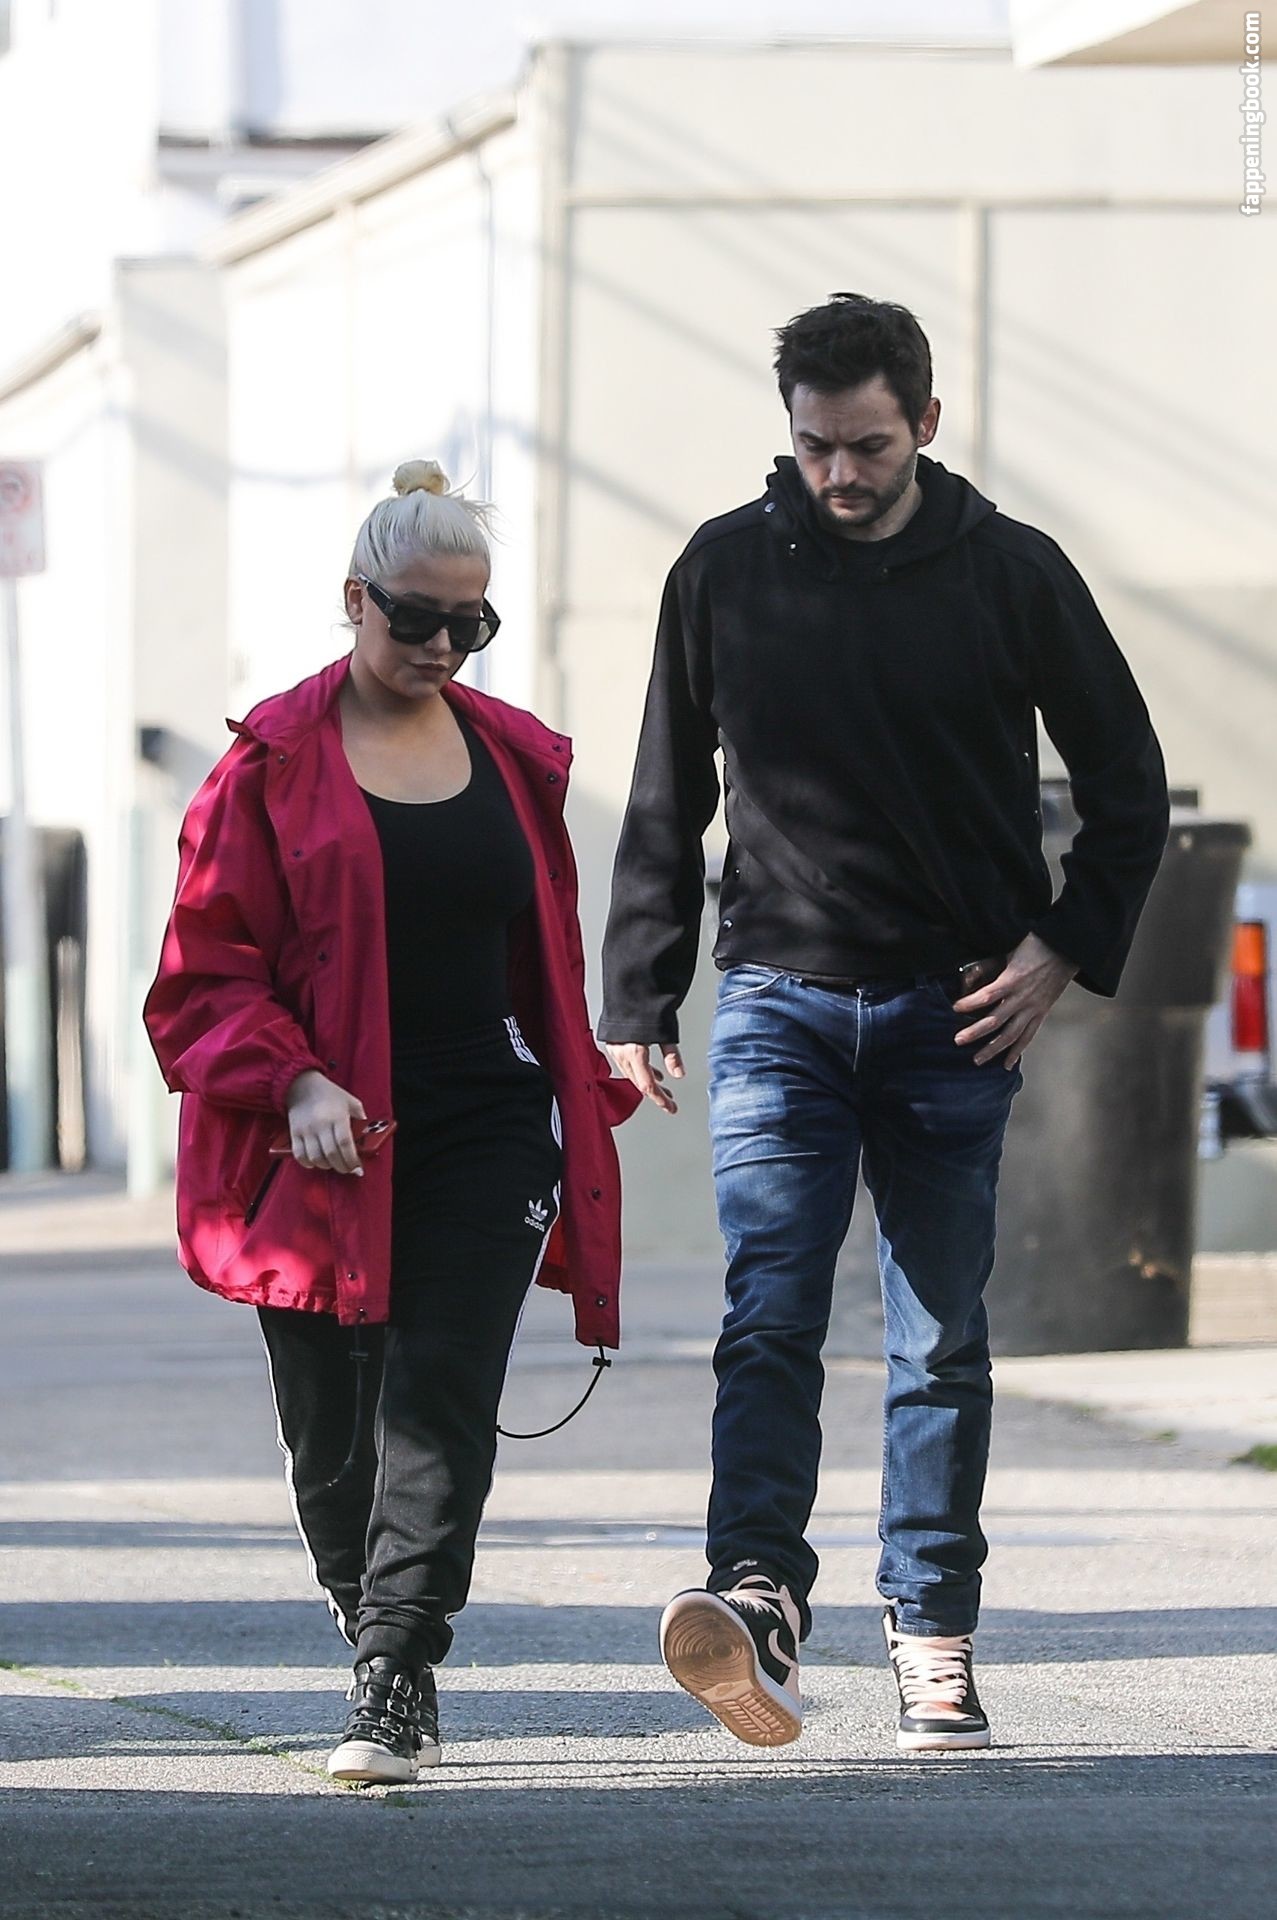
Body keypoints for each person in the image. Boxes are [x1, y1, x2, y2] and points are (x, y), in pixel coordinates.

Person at [600, 294, 1169, 1752]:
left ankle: (931, 1634)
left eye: (866, 446)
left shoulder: (1011, 573)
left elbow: (1127, 782)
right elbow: (667, 790)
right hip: (778, 1003)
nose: (838, 475)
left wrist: (1060, 949)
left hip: (954, 1013)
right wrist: (640, 992)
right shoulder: (724, 569)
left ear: (925, 421)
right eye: (813, 447)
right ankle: (757, 1599)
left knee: (937, 1341)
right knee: (769, 1315)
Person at [145, 460, 639, 1784]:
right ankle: (365, 1604)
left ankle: (397, 1668)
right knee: (330, 1430)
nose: (440, 647)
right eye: (415, 618)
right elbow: (200, 978)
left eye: (470, 624)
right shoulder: (269, 767)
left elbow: (538, 954)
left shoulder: (513, 758)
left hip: (487, 1116)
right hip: (319, 1133)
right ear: (355, 599)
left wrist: (587, 1073)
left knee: (441, 1391)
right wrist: (295, 1079)